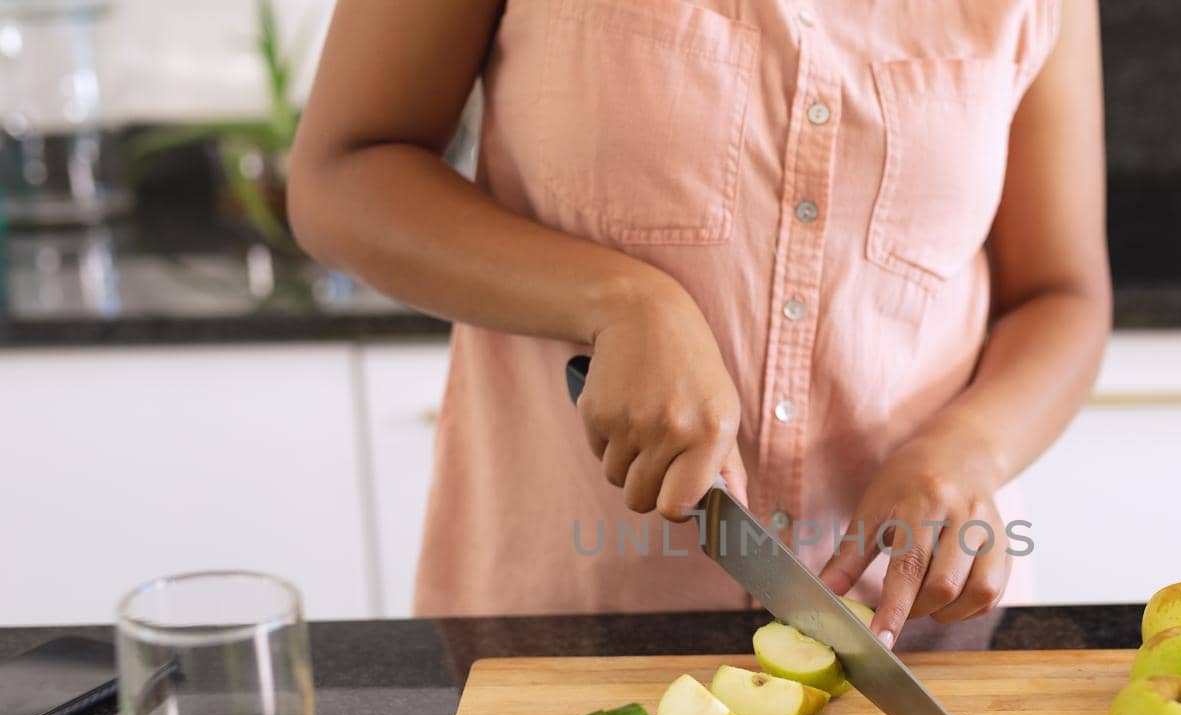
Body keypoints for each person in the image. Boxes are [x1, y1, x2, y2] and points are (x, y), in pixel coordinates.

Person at [288, 0, 1110, 648]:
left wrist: (970, 448)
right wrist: (617, 298)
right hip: (559, 634)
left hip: (907, 638)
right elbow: (342, 172)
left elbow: (1061, 292)